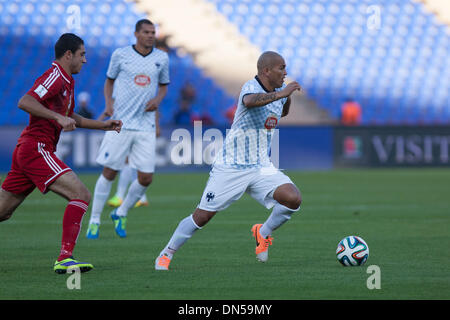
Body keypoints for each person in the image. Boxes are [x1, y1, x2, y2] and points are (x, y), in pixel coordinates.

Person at [155, 51, 302, 270]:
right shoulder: (250, 88)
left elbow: (283, 111)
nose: (285, 72)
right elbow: (251, 102)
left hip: (260, 166)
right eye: (281, 67)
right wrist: (281, 95)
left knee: (292, 198)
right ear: (266, 71)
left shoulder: (278, 94)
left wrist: (285, 96)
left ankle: (263, 232)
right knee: (202, 216)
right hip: (231, 166)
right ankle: (166, 253)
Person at [0, 33, 122, 274]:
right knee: (81, 194)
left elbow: (71, 116)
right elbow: (25, 101)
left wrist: (103, 125)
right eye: (82, 54)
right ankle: (65, 258)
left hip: (30, 150)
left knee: (3, 212)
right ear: (69, 55)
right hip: (37, 148)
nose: (85, 60)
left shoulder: (67, 80)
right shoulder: (55, 75)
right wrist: (57, 117)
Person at [86, 19, 169, 239]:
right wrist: (108, 104)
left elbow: (163, 86)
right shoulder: (120, 55)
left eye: (153, 32)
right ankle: (94, 220)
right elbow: (109, 81)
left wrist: (158, 100)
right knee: (109, 172)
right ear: (136, 34)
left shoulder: (162, 58)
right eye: (146, 32)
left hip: (145, 126)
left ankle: (120, 212)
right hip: (120, 123)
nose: (151, 35)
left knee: (146, 178)